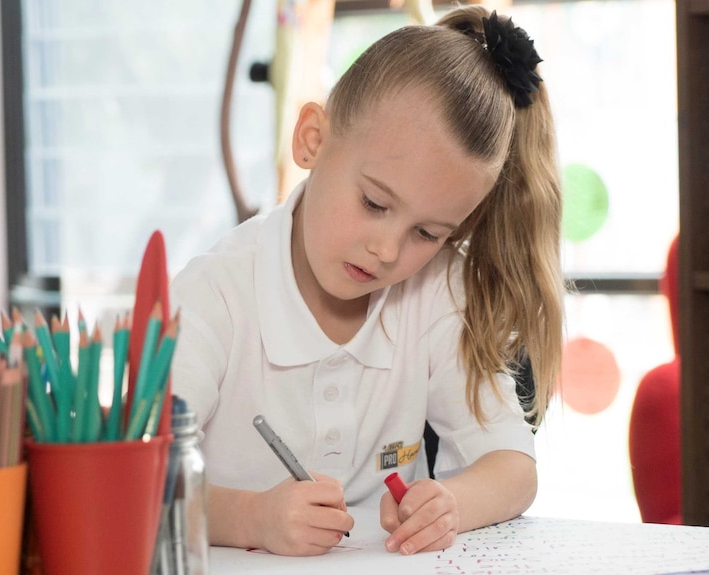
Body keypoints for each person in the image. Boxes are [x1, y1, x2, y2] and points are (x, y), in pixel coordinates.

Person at [169, 5, 563, 557]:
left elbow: (513, 468)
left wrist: (450, 503)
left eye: (427, 232)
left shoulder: (436, 289)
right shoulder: (213, 295)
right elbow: (140, 480)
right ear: (311, 140)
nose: (387, 250)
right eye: (374, 202)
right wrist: (252, 518)